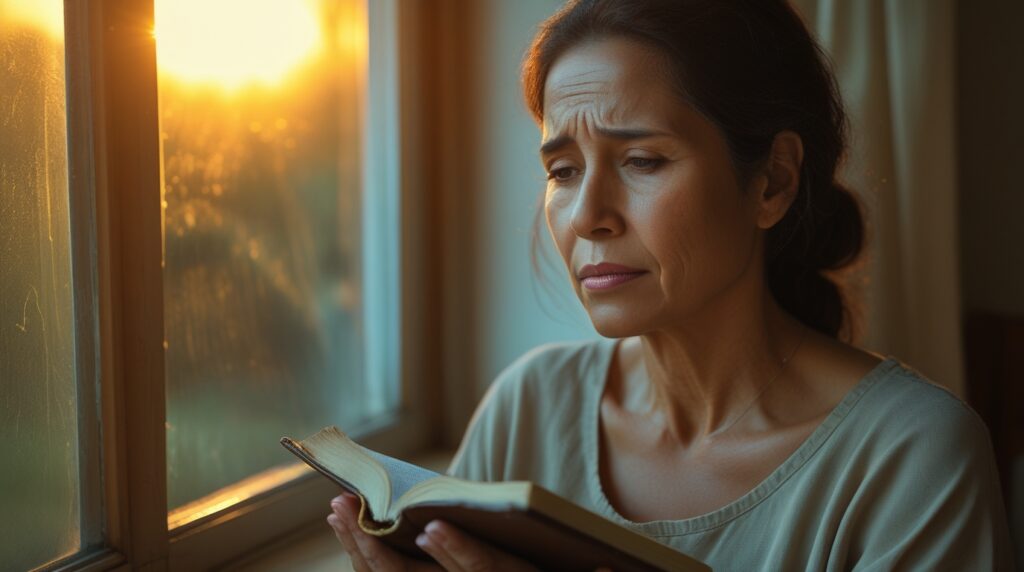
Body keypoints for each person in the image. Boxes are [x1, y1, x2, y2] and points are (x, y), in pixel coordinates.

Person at [328, 0, 1014, 569]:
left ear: (772, 181)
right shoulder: (529, 407)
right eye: (563, 171)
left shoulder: (913, 460)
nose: (589, 216)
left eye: (643, 159)